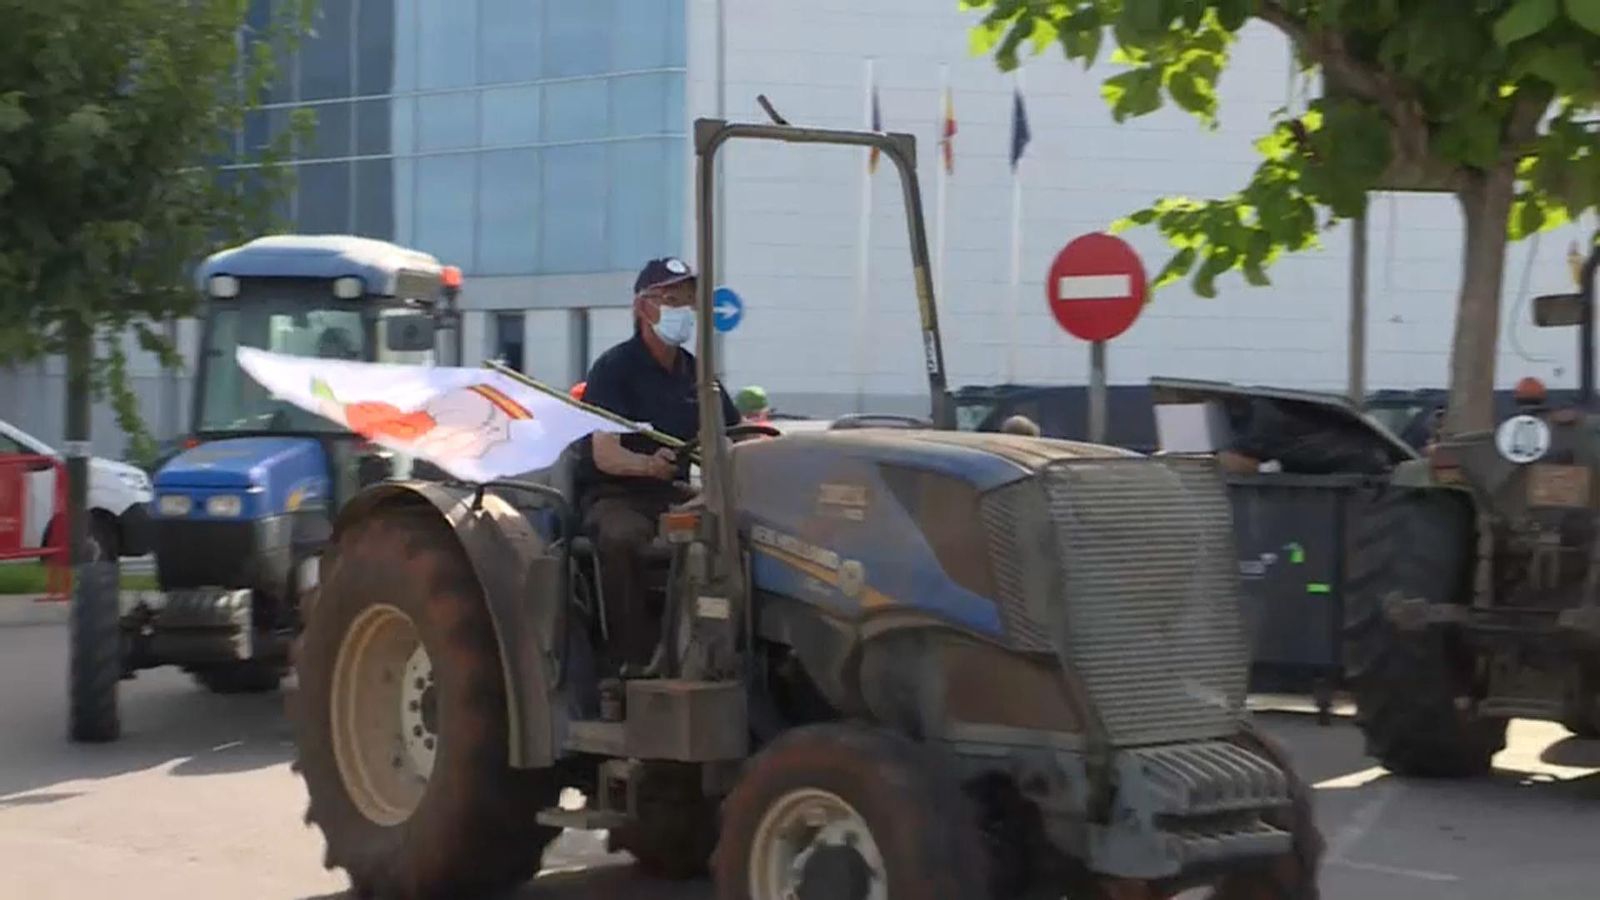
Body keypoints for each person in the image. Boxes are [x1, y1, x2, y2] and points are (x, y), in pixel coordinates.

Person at [577, 257, 740, 673]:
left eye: (687, 298)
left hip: (676, 497)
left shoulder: (698, 374)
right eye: (670, 298)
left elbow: (734, 433)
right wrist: (648, 465)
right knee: (623, 537)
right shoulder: (615, 369)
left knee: (737, 535)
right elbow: (604, 452)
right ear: (641, 307)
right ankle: (632, 664)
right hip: (618, 496)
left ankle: (721, 653)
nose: (681, 308)